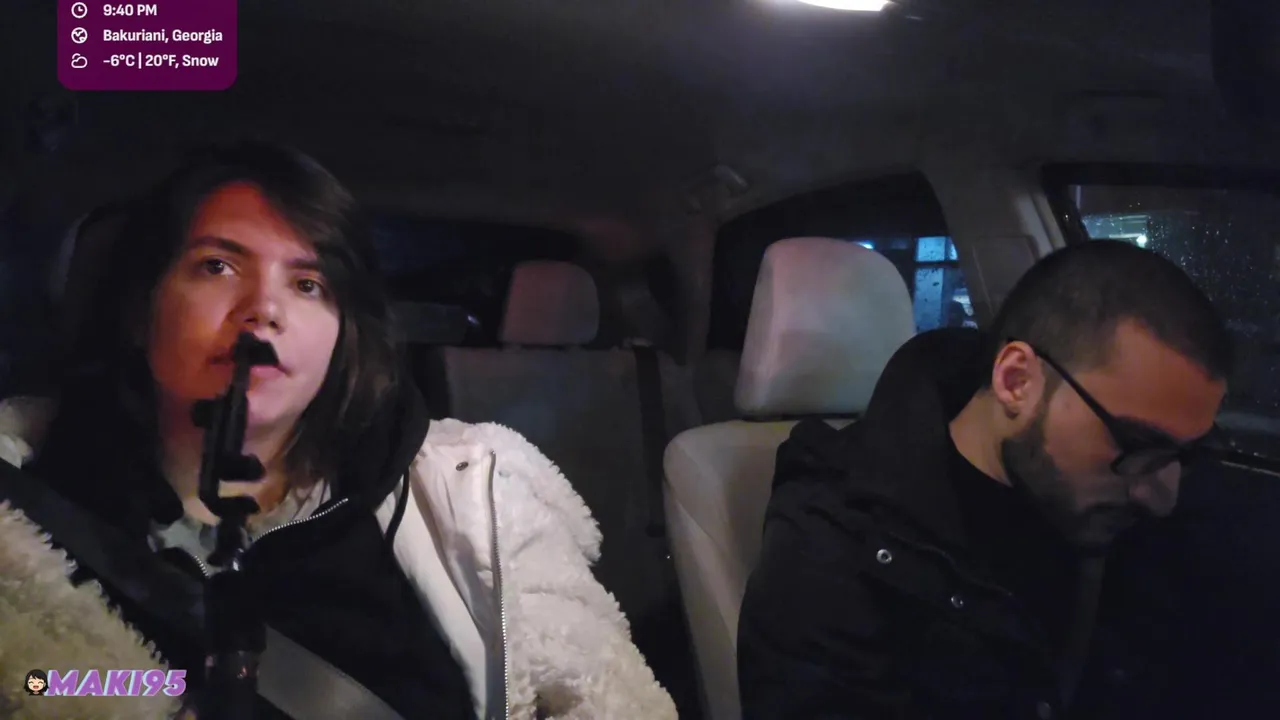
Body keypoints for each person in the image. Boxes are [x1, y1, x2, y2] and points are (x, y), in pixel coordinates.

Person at [0, 139, 676, 720]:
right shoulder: (25, 510)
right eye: (217, 266)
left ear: (341, 335)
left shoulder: (481, 493)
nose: (263, 309)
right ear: (139, 311)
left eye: (308, 285)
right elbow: (37, 685)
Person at [736, 240, 1231, 719]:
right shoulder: (835, 558)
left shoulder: (1118, 514)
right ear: (1016, 381)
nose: (1162, 496)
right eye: (1136, 444)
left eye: (1186, 454)